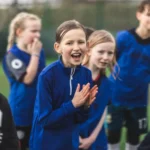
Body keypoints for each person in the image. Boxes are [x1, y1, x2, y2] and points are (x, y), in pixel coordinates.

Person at [29, 20, 98, 150]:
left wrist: (85, 107)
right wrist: (72, 105)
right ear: (58, 47)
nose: (76, 47)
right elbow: (44, 120)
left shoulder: (86, 75)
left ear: (87, 46)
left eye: (81, 42)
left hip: (70, 144)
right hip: (45, 144)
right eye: (69, 43)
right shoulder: (47, 76)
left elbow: (80, 119)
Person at [107, 1, 150, 150]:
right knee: (113, 134)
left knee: (134, 136)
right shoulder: (123, 37)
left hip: (139, 100)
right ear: (139, 15)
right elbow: (112, 61)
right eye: (148, 14)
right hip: (116, 97)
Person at [2, 12, 45, 150]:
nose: (37, 35)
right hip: (20, 114)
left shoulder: (39, 52)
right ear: (19, 32)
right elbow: (27, 79)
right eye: (33, 31)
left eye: (39, 31)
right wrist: (35, 54)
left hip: (38, 111)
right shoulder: (12, 55)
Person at [79, 30, 116, 150]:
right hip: (72, 139)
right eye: (101, 52)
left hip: (97, 141)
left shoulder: (108, 84)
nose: (105, 57)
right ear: (88, 50)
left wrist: (92, 138)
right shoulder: (73, 77)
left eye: (110, 53)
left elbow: (103, 111)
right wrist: (75, 136)